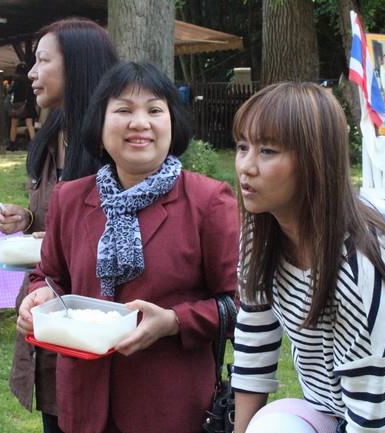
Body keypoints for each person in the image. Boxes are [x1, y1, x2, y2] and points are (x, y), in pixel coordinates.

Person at [230, 82, 385, 433]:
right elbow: (255, 342)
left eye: (267, 151)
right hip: (335, 408)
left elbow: (375, 412)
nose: (246, 166)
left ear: (315, 159)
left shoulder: (362, 264)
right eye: (242, 146)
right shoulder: (260, 235)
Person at [16, 61, 239, 433]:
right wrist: (38, 296)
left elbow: (237, 305)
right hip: (84, 404)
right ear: (100, 124)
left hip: (171, 408)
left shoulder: (207, 200)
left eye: (154, 110)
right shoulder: (70, 198)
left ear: (172, 122)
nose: (139, 123)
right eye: (123, 110)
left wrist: (173, 322)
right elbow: (48, 276)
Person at [0, 17, 119, 433]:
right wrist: (26, 219)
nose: (31, 72)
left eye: (43, 61)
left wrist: (58, 241)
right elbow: (54, 220)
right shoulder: (51, 135)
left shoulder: (112, 144)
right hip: (47, 311)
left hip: (95, 323)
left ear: (78, 66)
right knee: (56, 414)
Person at [7, 62, 37, 151]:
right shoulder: (30, 80)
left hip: (18, 104)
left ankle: (12, 144)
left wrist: (8, 89)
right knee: (29, 124)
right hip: (29, 104)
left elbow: (12, 89)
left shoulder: (17, 78)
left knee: (14, 124)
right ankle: (34, 144)